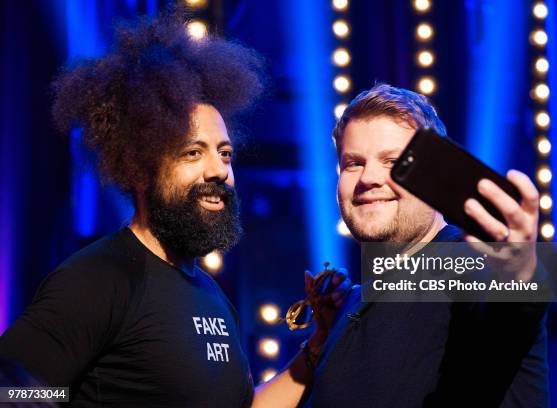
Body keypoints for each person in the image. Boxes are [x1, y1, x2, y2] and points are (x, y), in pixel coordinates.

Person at [0, 12, 349, 408]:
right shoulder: (98, 280)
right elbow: (14, 391)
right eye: (192, 152)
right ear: (141, 168)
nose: (219, 170)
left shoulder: (211, 294)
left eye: (225, 153)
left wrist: (318, 343)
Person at [304, 83, 549, 407]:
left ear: (435, 179)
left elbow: (512, 311)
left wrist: (520, 272)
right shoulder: (352, 303)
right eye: (354, 163)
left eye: (393, 162)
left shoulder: (469, 264)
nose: (368, 178)